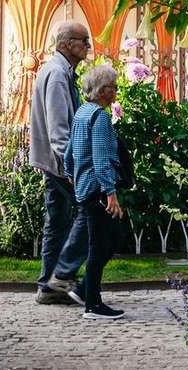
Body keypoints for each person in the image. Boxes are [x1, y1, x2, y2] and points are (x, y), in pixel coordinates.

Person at [29, 23, 92, 305]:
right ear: (67, 44)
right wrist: (74, 169)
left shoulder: (59, 71)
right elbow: (59, 131)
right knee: (91, 213)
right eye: (83, 41)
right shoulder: (56, 74)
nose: (88, 46)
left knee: (57, 223)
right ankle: (63, 277)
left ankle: (48, 287)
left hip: (52, 162)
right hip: (60, 164)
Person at [68, 64, 128, 321]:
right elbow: (101, 159)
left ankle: (85, 289)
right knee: (100, 245)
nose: (116, 92)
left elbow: (69, 152)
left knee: (112, 239)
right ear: (103, 91)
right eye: (113, 87)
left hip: (85, 187)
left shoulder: (82, 112)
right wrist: (110, 193)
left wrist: (72, 175)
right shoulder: (100, 117)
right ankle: (92, 304)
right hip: (99, 189)